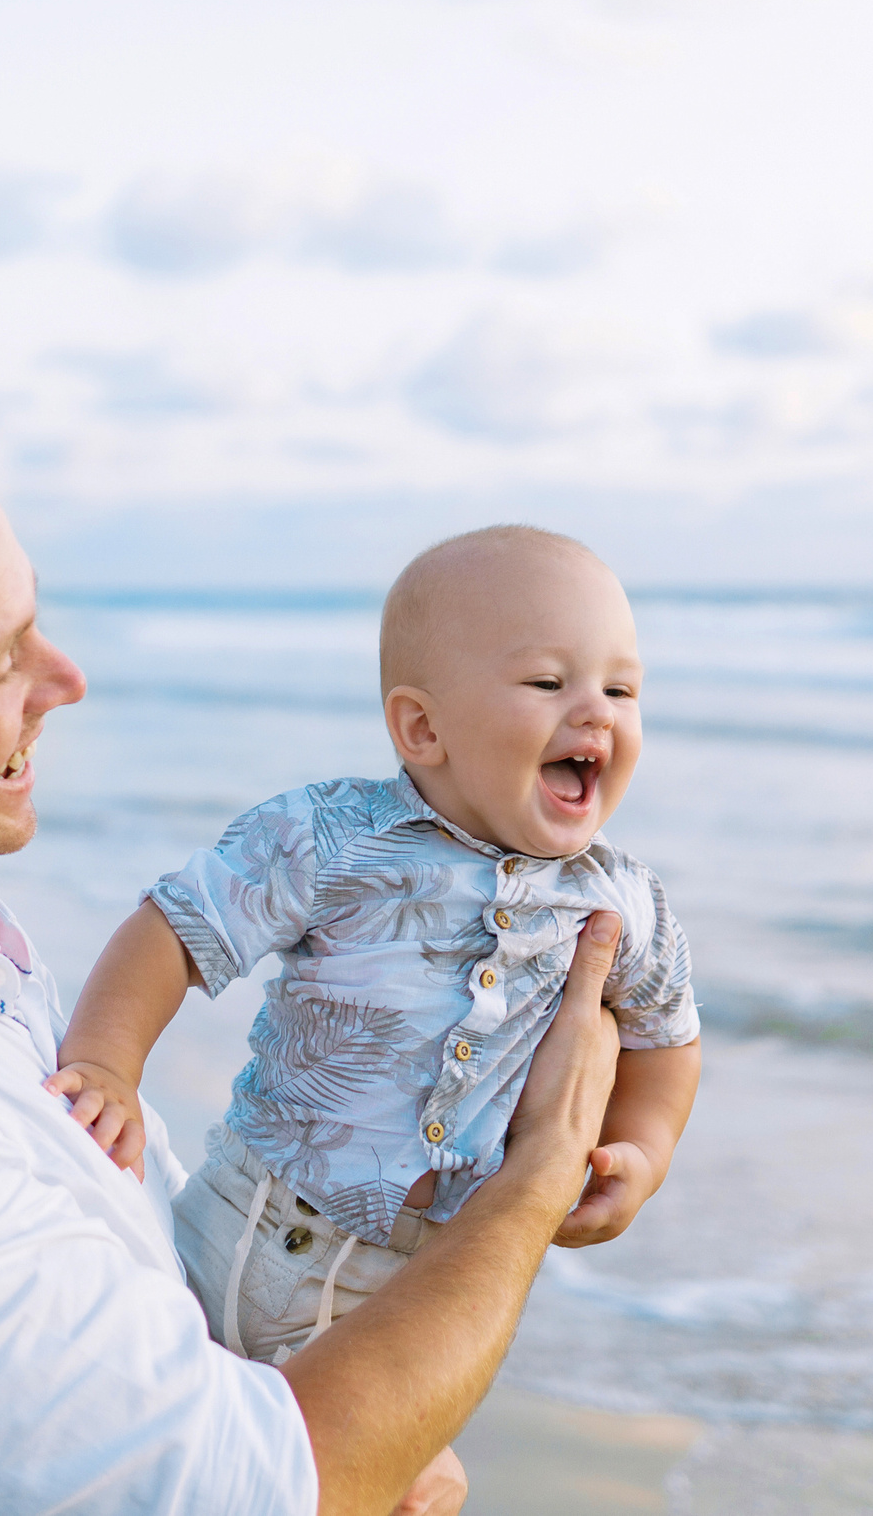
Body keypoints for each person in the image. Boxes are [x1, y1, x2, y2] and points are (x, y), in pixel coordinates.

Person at [0, 428, 626, 1516]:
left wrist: (378, 1426)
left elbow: (139, 1309)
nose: (65, 680)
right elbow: (263, 1492)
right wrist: (534, 1181)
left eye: (34, 619)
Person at [50, 525, 700, 1363]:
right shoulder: (333, 836)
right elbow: (178, 927)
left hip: (430, 1287)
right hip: (253, 1228)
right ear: (423, 728)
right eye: (548, 680)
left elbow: (666, 1039)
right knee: (159, 1425)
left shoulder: (625, 902)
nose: (595, 711)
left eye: (623, 689)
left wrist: (643, 1150)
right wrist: (108, 1062)